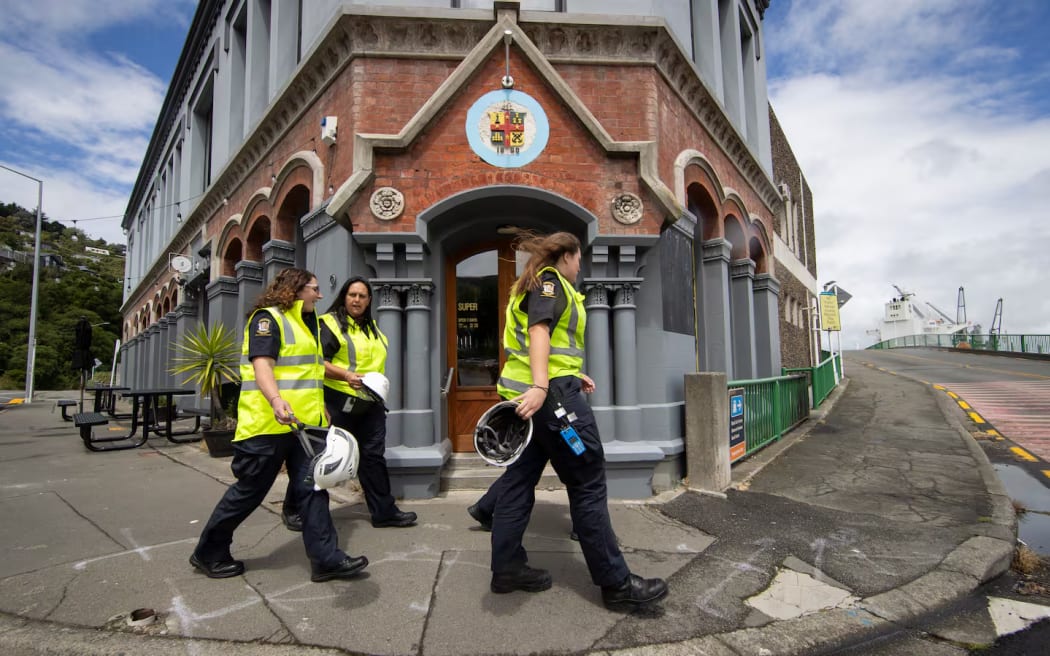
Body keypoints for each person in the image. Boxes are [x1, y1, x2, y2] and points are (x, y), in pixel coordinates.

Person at [482, 230, 668, 609]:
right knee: (587, 479)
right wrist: (543, 384)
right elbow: (539, 331)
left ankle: (507, 569)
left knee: (518, 482)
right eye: (579, 258)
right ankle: (616, 585)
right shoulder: (550, 284)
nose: (580, 265)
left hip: (530, 399)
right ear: (566, 255)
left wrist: (568, 373)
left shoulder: (529, 284)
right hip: (550, 400)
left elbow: (544, 345)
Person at [190, 267, 368, 583]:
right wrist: (275, 401)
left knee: (314, 489)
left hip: (303, 427)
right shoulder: (267, 320)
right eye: (315, 288)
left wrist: (320, 407)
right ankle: (209, 552)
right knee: (249, 491)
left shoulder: (307, 322)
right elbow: (263, 367)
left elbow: (307, 373)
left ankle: (327, 559)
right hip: (267, 425)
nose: (320, 294)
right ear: (297, 290)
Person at [318, 276, 417, 528]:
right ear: (344, 296)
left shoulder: (373, 329)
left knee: (373, 457)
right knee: (326, 456)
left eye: (362, 296)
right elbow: (317, 364)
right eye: (352, 295)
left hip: (370, 404)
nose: (357, 300)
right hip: (338, 401)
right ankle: (296, 508)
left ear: (369, 300)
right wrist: (345, 375)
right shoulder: (330, 324)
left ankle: (384, 512)